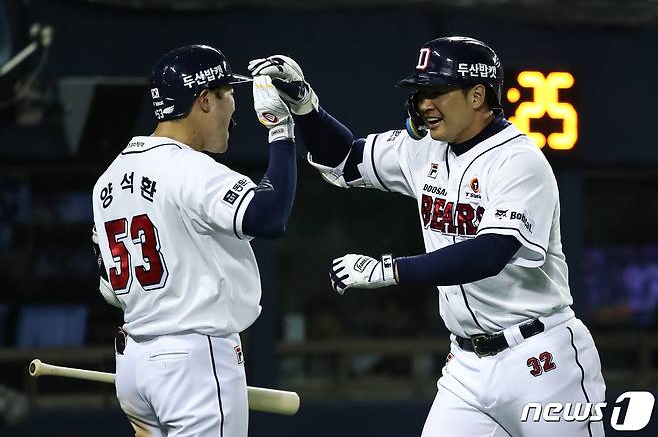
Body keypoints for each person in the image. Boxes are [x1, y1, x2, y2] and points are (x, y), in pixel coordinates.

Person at [249, 37, 605, 436]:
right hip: (466, 366)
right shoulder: (423, 150)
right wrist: (306, 109)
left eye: (436, 91)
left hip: (541, 359)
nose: (423, 104)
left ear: (477, 95)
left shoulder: (518, 160)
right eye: (420, 93)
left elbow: (491, 252)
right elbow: (344, 159)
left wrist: (389, 270)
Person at [91, 44, 296, 437]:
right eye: (229, 93)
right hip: (194, 360)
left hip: (134, 364)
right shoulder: (188, 168)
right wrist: (281, 132)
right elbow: (268, 216)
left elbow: (111, 292)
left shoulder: (108, 179)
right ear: (204, 100)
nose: (234, 106)